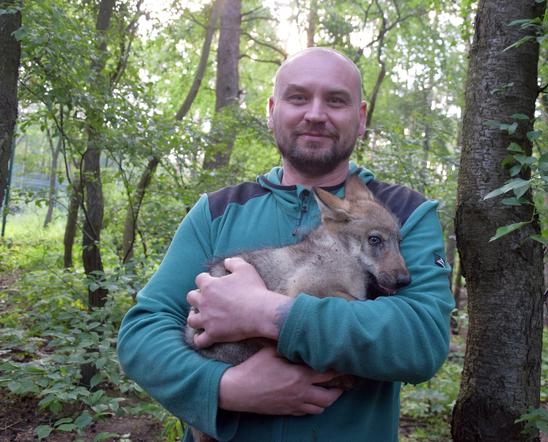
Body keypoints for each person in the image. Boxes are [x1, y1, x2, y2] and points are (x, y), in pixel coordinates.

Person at [117, 47, 454, 442]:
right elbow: (142, 334)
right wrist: (225, 387)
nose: (315, 113)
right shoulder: (218, 211)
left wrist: (266, 314)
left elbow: (422, 341)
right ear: (272, 110)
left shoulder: (403, 213)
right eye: (298, 98)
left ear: (360, 118)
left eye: (336, 100)